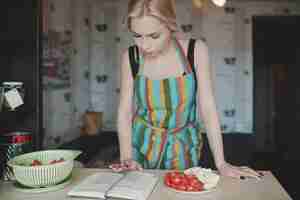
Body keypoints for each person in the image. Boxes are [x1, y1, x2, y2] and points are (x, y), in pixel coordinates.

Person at [113, 0, 261, 179]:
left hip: (183, 147)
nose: (145, 45)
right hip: (141, 145)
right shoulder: (130, 57)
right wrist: (127, 158)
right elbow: (125, 111)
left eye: (154, 36)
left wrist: (221, 163)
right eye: (137, 35)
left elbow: (207, 108)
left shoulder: (195, 51)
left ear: (171, 26)